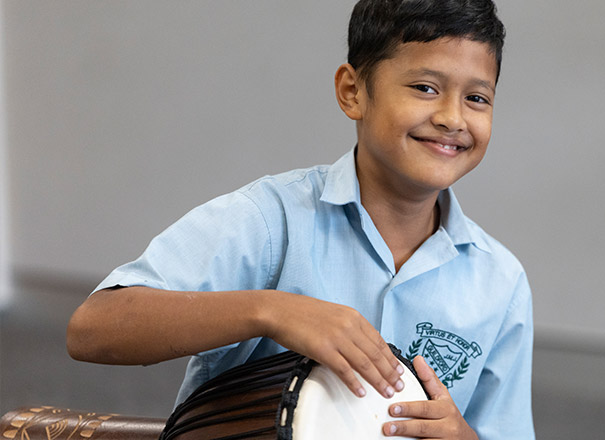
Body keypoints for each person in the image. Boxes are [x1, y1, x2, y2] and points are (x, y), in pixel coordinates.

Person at [67, 0, 534, 438]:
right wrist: (271, 310)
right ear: (353, 92)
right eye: (425, 88)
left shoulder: (501, 283)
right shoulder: (272, 221)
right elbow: (93, 328)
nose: (453, 118)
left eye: (477, 98)